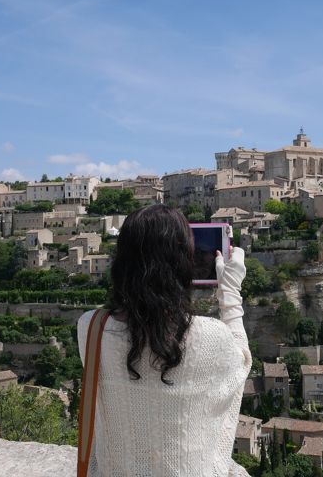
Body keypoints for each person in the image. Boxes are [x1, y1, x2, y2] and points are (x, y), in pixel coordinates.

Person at [77, 204, 251, 476]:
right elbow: (241, 361)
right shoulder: (211, 336)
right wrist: (229, 291)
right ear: (184, 263)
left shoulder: (90, 327)